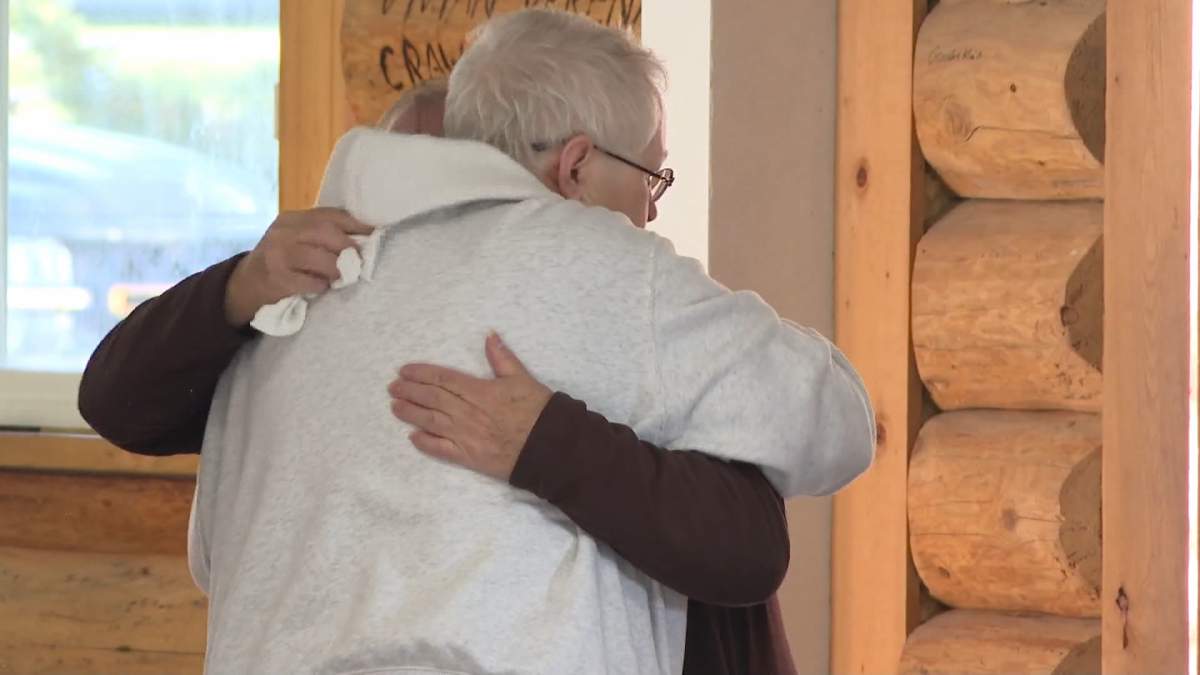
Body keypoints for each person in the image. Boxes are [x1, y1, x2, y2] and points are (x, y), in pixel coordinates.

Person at [82, 10, 873, 675]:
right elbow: (837, 419)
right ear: (576, 165)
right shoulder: (604, 267)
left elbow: (176, 493)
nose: (653, 211)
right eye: (652, 179)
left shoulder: (295, 290)